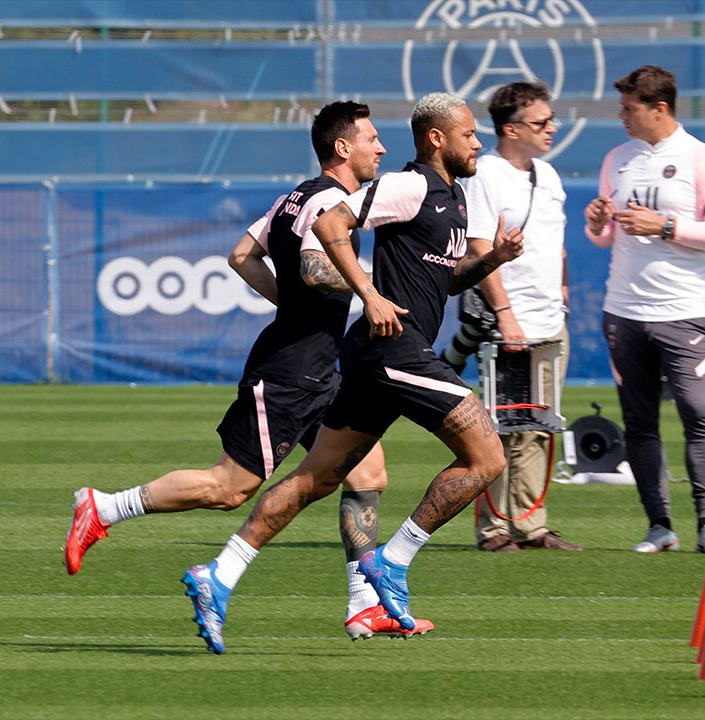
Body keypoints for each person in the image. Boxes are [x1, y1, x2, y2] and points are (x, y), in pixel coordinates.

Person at [61, 101, 434, 641]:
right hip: (288, 372)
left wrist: (295, 305)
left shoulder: (294, 197)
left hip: (319, 368)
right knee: (228, 488)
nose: (381, 148)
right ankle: (102, 507)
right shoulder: (331, 200)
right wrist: (369, 288)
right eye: (372, 138)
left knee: (367, 473)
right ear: (342, 148)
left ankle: (363, 605)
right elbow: (312, 265)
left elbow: (241, 255)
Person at [182, 92, 524, 654]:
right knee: (487, 457)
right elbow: (334, 223)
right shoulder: (409, 185)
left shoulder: (455, 198)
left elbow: (447, 281)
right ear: (437, 138)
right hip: (395, 350)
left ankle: (218, 575)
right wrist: (370, 293)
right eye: (469, 135)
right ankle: (392, 561)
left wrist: (491, 261)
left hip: (377, 356)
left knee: (319, 479)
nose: (478, 143)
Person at [583, 65, 705, 556]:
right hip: (624, 310)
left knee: (698, 414)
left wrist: (667, 226)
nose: (622, 116)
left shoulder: (701, 157)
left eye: (630, 108)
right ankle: (659, 525)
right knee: (640, 421)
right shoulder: (617, 159)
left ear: (660, 109)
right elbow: (606, 237)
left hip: (684, 310)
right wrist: (598, 224)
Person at [453, 81, 581, 552]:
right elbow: (479, 247)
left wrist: (563, 289)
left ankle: (532, 525)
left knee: (540, 427)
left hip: (550, 318)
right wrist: (505, 314)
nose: (552, 128)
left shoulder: (549, 175)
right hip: (511, 319)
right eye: (541, 122)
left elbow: (556, 242)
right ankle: (494, 529)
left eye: (551, 120)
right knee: (501, 429)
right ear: (510, 129)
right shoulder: (486, 174)